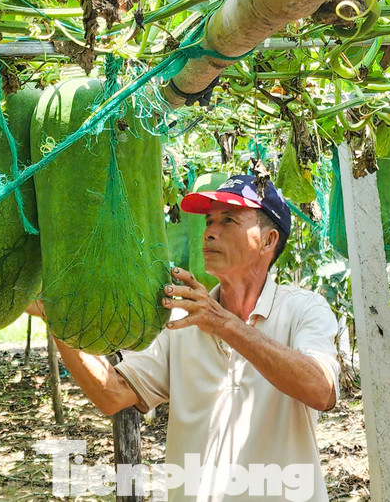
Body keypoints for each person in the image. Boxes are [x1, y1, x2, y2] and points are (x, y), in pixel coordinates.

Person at [30, 174, 340, 502]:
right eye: (209, 221)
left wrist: (224, 325)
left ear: (268, 240)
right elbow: (112, 393)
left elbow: (321, 390)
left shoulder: (303, 309)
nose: (209, 232)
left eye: (229, 220)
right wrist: (56, 316)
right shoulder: (183, 319)